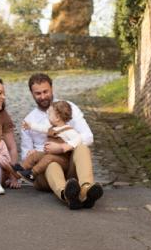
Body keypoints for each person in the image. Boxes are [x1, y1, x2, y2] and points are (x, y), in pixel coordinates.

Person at [21, 73, 103, 210]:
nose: (42, 96)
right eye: (38, 93)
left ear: (52, 88)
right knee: (51, 164)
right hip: (45, 173)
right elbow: (25, 157)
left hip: (68, 164)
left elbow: (88, 136)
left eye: (45, 92)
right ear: (32, 93)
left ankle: (86, 189)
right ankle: (66, 194)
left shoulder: (68, 108)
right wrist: (33, 153)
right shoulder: (29, 120)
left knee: (82, 148)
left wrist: (63, 147)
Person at [14, 100, 82, 181]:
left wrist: (65, 147)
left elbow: (78, 139)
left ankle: (32, 173)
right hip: (51, 155)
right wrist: (30, 126)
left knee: (48, 158)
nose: (47, 116)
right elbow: (41, 128)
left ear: (57, 117)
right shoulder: (51, 128)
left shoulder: (68, 130)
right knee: (35, 155)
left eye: (49, 114)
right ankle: (22, 168)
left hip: (63, 160)